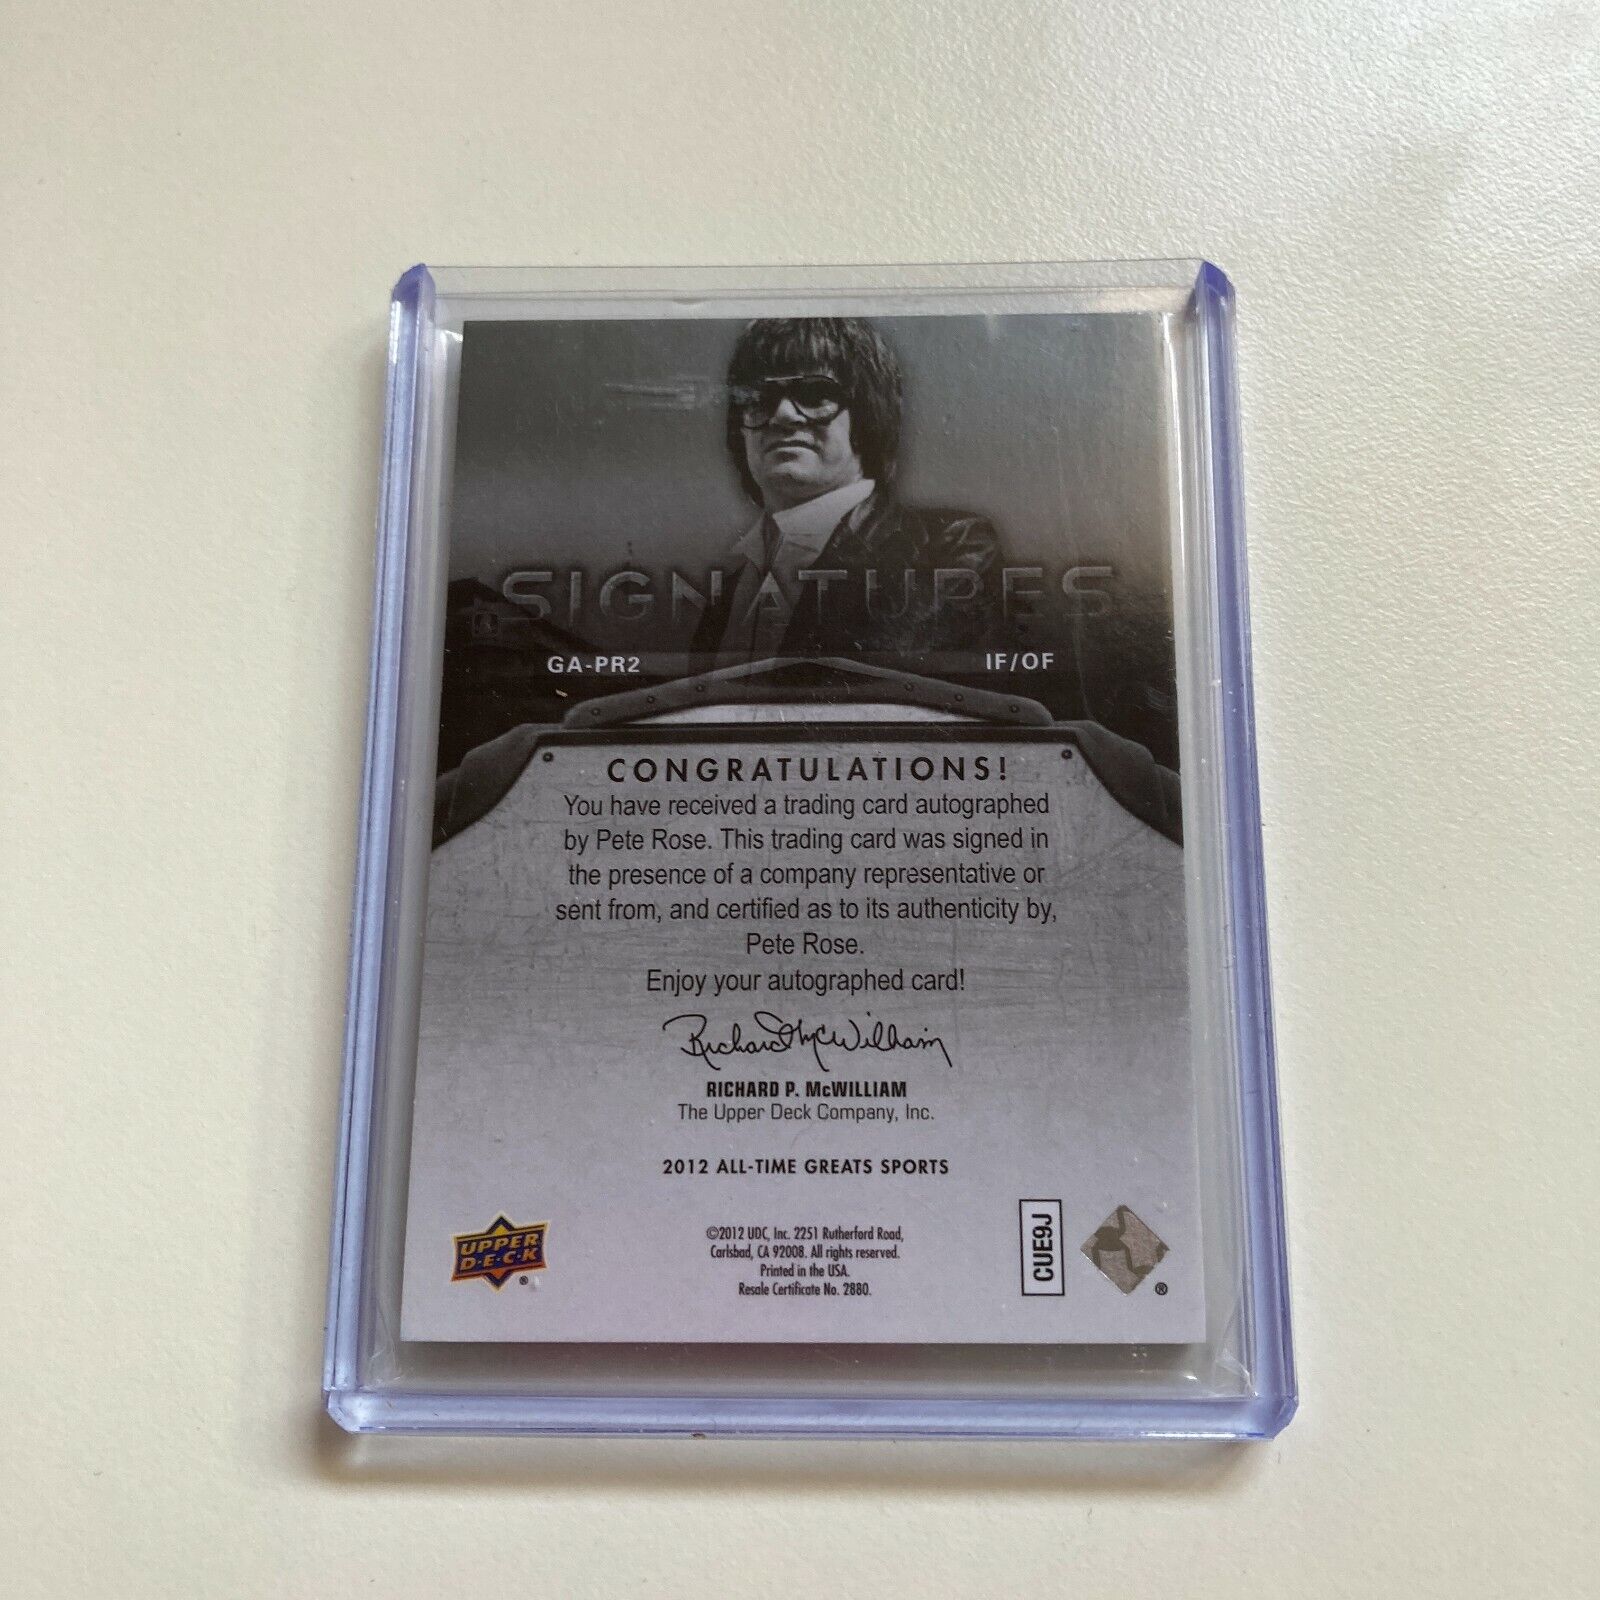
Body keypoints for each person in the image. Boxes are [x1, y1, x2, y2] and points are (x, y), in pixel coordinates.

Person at [691, 317, 1003, 666]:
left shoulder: (949, 547)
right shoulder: (730, 587)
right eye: (759, 398)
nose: (782, 415)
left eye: (814, 394)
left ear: (868, 413)